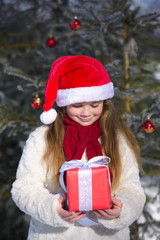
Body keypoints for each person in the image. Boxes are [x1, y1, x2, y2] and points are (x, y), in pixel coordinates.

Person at [11, 55, 146, 240]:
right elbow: (24, 188)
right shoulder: (42, 139)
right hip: (55, 235)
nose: (86, 113)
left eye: (94, 105)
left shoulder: (116, 139)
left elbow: (132, 189)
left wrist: (123, 208)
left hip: (106, 235)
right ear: (64, 104)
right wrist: (53, 208)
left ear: (104, 102)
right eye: (77, 105)